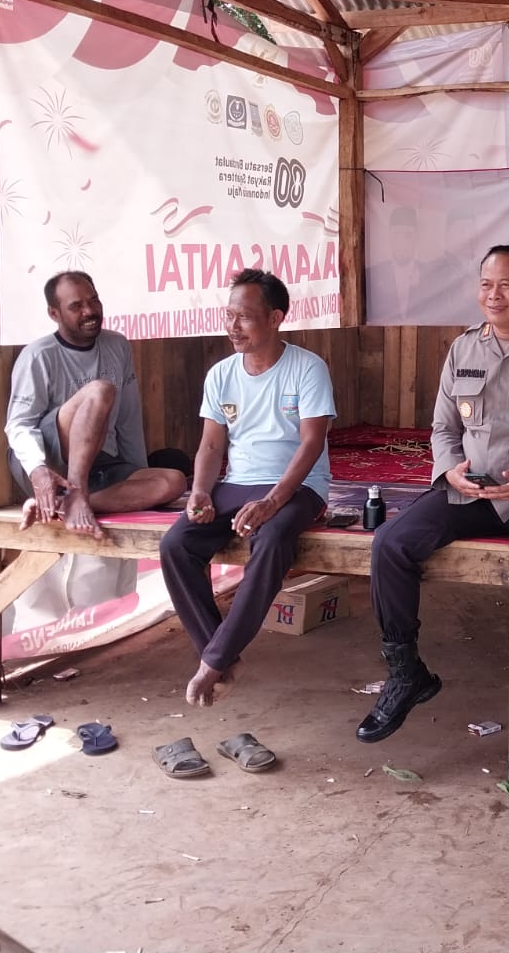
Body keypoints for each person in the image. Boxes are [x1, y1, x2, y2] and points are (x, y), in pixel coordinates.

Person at [359, 246, 509, 781]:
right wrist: (449, 470)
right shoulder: (463, 347)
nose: (494, 295)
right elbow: (443, 428)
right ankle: (406, 671)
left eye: (507, 284)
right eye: (486, 284)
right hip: (471, 491)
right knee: (390, 544)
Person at [158, 268, 336, 708]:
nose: (233, 327)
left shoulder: (308, 368)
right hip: (237, 483)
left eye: (245, 317)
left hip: (299, 487)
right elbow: (211, 444)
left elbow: (312, 443)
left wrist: (273, 501)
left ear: (275, 318)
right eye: (229, 315)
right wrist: (201, 491)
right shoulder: (221, 374)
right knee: (176, 544)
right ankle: (221, 655)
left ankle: (213, 661)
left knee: (272, 538)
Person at [4, 272, 187, 538]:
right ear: (54, 314)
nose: (89, 311)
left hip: (98, 463)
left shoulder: (117, 345)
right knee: (100, 391)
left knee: (173, 482)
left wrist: (138, 470)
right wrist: (38, 471)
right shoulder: (38, 355)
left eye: (94, 301)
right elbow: (19, 425)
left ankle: (63, 503)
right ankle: (73, 493)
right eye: (76, 306)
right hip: (45, 464)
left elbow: (128, 418)